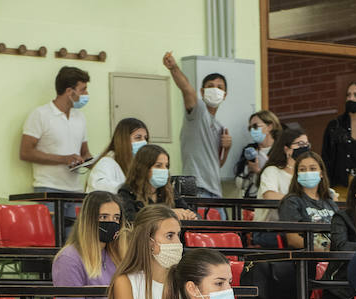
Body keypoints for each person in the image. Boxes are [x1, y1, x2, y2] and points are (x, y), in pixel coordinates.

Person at [162, 51, 230, 199]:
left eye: (220, 87)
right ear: (202, 91)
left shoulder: (220, 126)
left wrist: (227, 149)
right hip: (197, 189)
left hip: (215, 190)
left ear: (225, 95)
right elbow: (186, 89)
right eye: (211, 86)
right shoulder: (198, 112)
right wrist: (174, 68)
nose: (215, 89)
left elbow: (216, 163)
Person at [18, 66, 91, 195]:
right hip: (48, 188)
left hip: (76, 190)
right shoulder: (40, 114)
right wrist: (64, 159)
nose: (86, 94)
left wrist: (98, 162)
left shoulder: (80, 117)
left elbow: (85, 153)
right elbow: (25, 152)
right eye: (83, 90)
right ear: (69, 91)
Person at [52, 191, 121, 299]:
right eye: (104, 217)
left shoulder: (119, 254)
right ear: (88, 220)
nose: (112, 222)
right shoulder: (69, 258)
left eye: (116, 218)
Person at [117, 144, 195, 220]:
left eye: (166, 166)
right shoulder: (127, 192)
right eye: (158, 166)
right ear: (143, 168)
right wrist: (168, 214)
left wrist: (190, 215)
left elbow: (192, 212)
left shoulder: (169, 190)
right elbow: (129, 218)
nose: (164, 170)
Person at [278, 151, 338, 249]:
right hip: (309, 258)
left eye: (313, 168)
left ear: (321, 173)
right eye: (302, 169)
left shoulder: (330, 202)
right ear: (297, 174)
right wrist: (322, 252)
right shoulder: (291, 202)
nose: (307, 172)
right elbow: (292, 239)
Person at [257, 129, 308, 222]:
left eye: (306, 145)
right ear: (286, 149)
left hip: (299, 225)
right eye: (300, 144)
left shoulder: (307, 173)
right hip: (270, 228)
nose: (304, 148)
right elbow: (270, 196)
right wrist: (302, 200)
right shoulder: (272, 171)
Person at [87, 117, 148, 193]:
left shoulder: (135, 163)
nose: (144, 142)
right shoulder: (106, 162)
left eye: (145, 138)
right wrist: (128, 188)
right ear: (123, 140)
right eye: (138, 137)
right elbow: (98, 188)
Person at [235, 110, 281, 199]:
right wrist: (248, 170)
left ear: (269, 127)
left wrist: (257, 171)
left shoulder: (280, 151)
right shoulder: (249, 150)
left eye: (255, 126)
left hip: (271, 202)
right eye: (250, 128)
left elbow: (280, 182)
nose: (252, 130)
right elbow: (239, 183)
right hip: (251, 201)